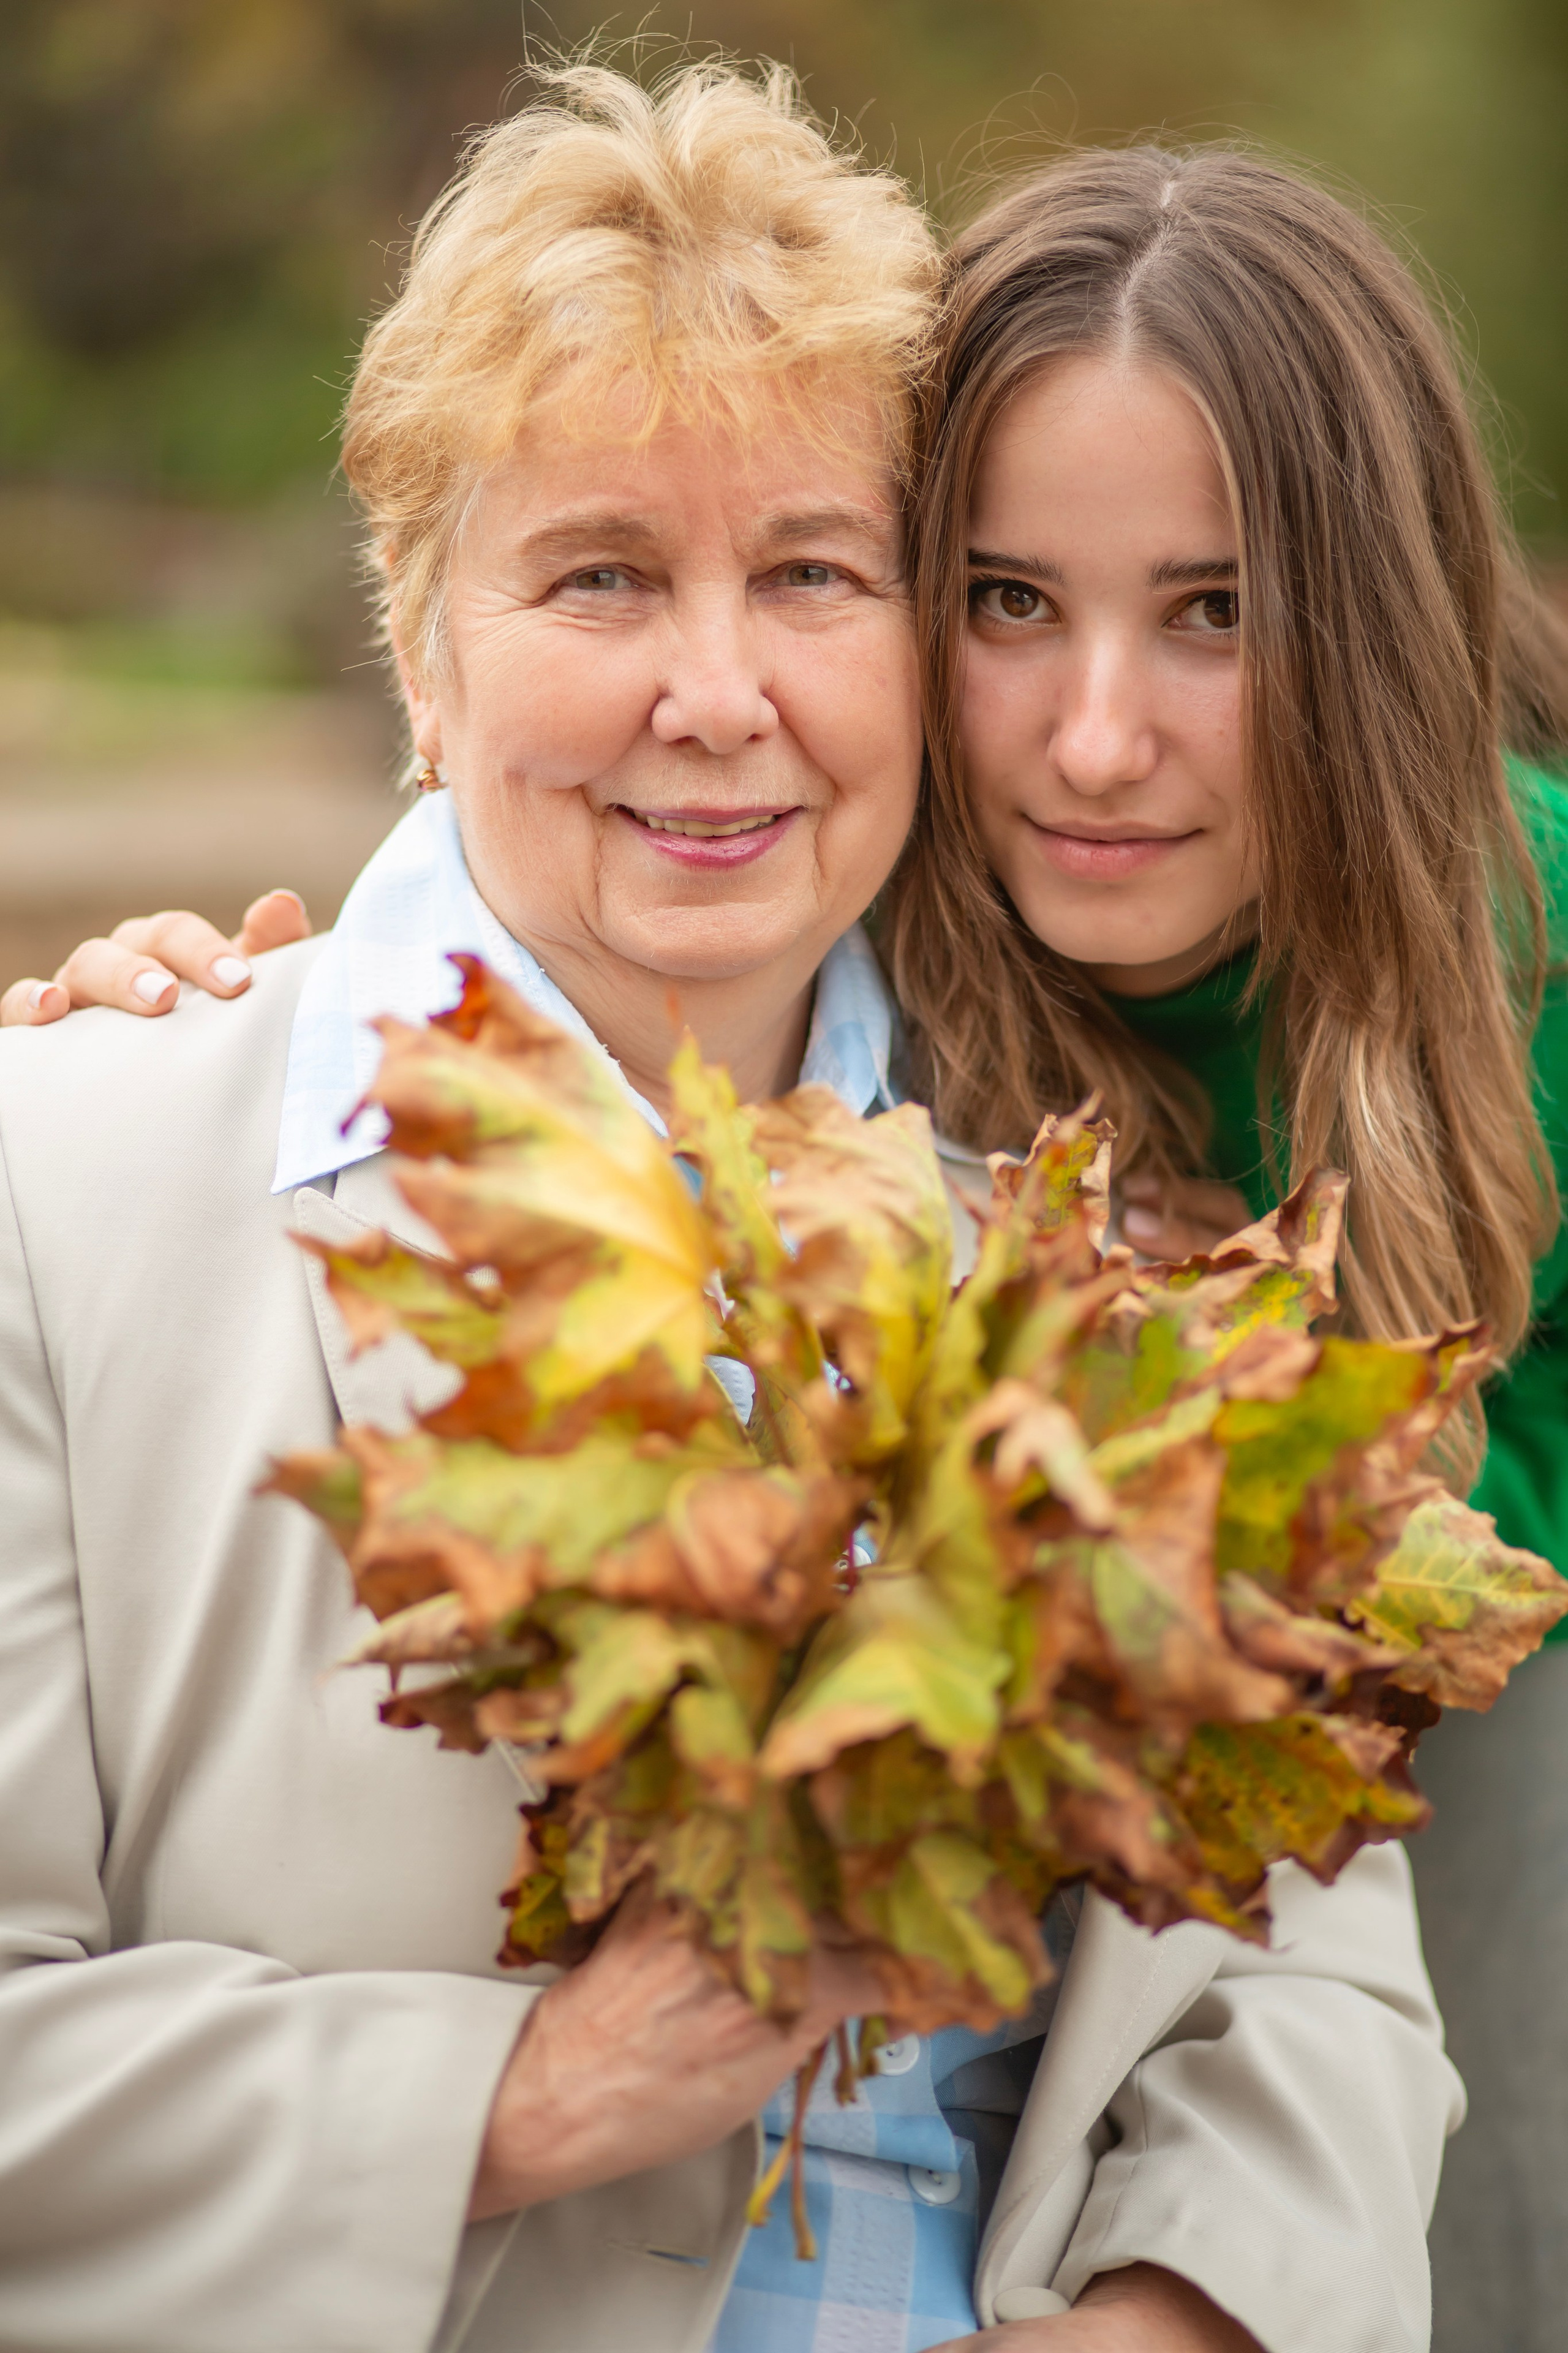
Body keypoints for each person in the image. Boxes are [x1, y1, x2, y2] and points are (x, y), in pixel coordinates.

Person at [0, 75, 1458, 2353]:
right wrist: (521, 2090)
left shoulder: (1102, 1235)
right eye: (600, 573)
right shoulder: (64, 1182)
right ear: (421, 638)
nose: (719, 692)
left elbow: (1323, 2015)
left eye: (810, 572)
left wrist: (1172, 2321)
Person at [880, 146, 1568, 2352]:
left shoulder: (1533, 938)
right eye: (1007, 603)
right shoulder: (822, 881)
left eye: (1216, 611)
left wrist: (1330, 1425)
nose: (1098, 740)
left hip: (1474, 1713)